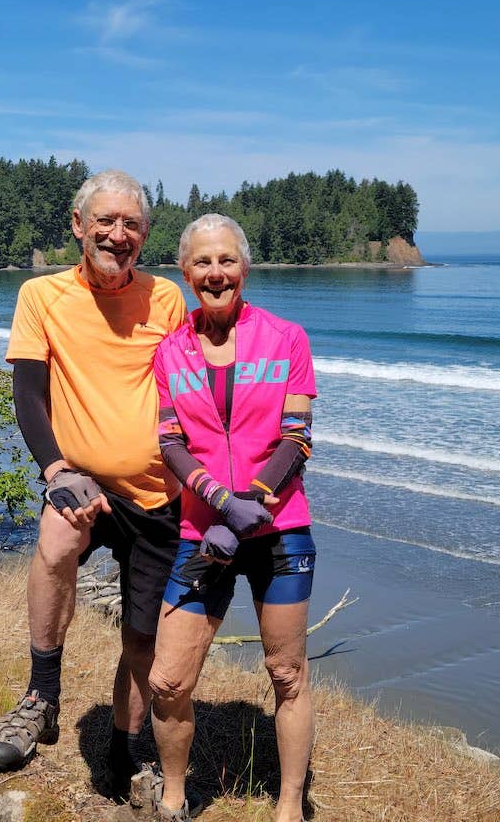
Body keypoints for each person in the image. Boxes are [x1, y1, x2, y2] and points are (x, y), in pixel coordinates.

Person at [0, 170, 187, 797]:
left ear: (144, 236)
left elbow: (192, 395)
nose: (116, 235)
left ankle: (126, 748)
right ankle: (41, 698)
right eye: (106, 221)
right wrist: (56, 469)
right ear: (78, 225)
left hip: (159, 494)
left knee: (142, 638)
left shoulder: (167, 299)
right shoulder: (41, 296)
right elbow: (29, 395)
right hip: (83, 484)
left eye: (131, 225)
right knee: (56, 543)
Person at [148, 214, 317, 822]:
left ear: (244, 267)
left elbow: (295, 442)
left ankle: (290, 805)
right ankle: (173, 795)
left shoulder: (287, 338)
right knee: (168, 680)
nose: (215, 273)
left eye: (226, 261)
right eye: (202, 262)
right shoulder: (169, 351)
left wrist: (249, 508)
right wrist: (222, 508)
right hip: (205, 533)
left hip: (280, 530)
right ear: (185, 272)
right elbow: (169, 444)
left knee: (287, 672)